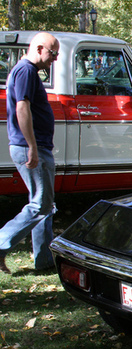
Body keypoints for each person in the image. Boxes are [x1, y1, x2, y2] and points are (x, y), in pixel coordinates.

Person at [0, 32, 59, 274]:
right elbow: (22, 108)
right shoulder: (25, 71)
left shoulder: (28, 72)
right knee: (40, 205)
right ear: (38, 48)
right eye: (52, 54)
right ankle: (2, 242)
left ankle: (43, 259)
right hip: (30, 147)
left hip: (37, 145)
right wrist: (32, 146)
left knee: (45, 203)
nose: (53, 59)